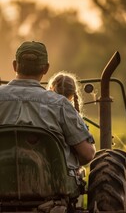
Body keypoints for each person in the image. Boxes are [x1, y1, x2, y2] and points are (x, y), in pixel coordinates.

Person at [0, 41, 96, 169]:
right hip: (53, 187)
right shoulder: (60, 104)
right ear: (46, 68)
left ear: (14, 65)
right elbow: (87, 154)